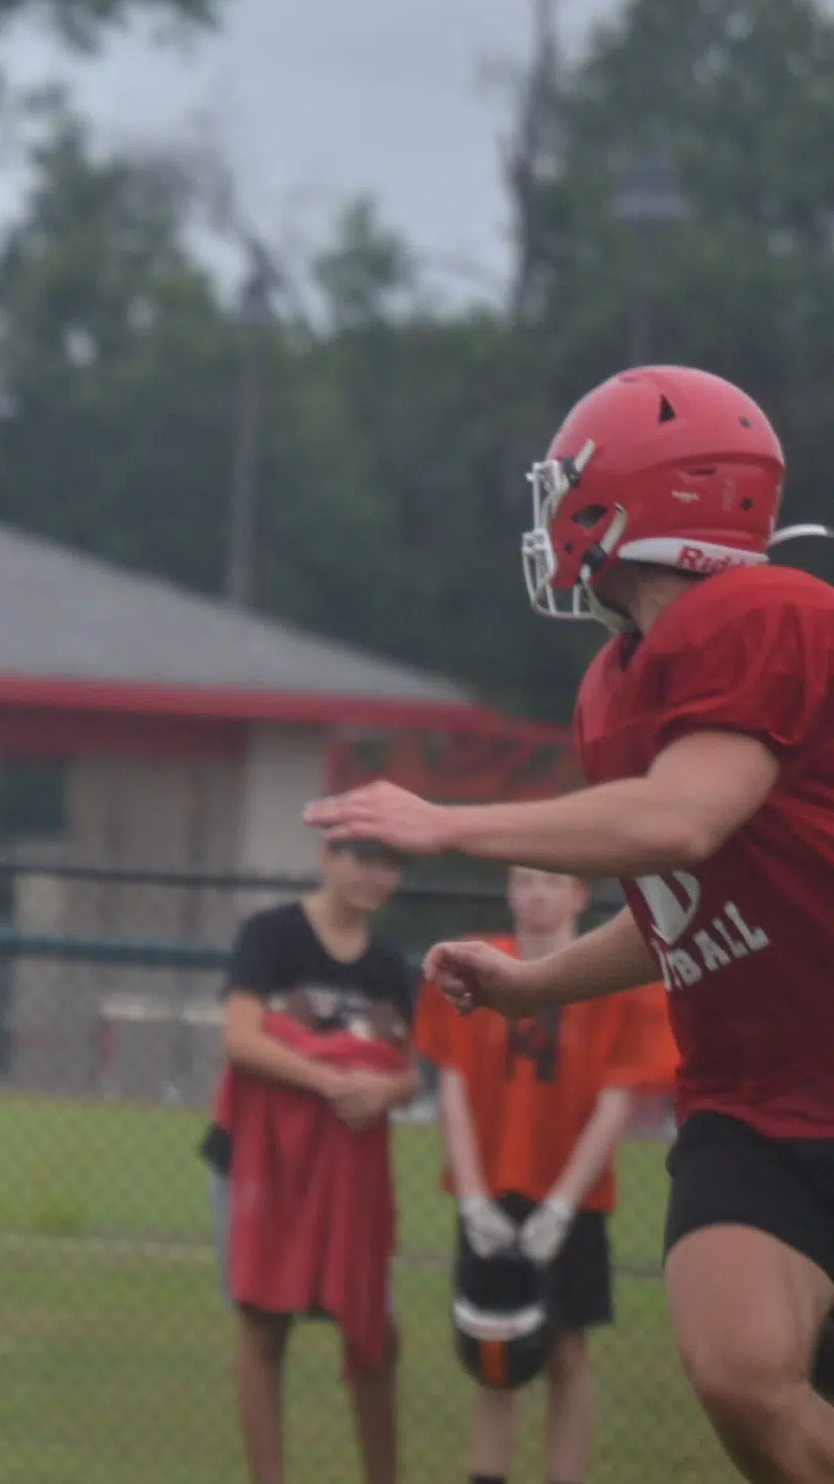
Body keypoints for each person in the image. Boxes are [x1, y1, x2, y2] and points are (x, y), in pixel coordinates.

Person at [309, 365, 834, 1484]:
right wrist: (530, 984)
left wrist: (449, 827)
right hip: (746, 1101)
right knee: (740, 1376)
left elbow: (685, 821)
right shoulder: (614, 684)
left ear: (647, 497)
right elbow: (684, 911)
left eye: (568, 488)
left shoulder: (767, 612)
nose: (552, 517)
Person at [415, 864, 679, 1484]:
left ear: (579, 895)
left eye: (552, 882)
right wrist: (473, 1196)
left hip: (573, 1192)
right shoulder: (473, 968)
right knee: (492, 1352)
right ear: (508, 890)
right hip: (493, 1186)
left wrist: (563, 1204)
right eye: (525, 881)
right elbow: (451, 1081)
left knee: (567, 1352)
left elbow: (621, 1096)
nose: (536, 894)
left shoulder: (614, 980)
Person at [203, 838, 418, 1484]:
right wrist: (331, 1081)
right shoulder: (272, 934)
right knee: (264, 1322)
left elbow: (408, 1075)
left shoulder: (389, 967)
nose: (376, 873)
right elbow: (240, 1038)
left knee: (376, 1332)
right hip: (257, 1163)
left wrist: (382, 1089)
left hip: (343, 1177)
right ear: (328, 856)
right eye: (363, 857)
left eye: (389, 861)